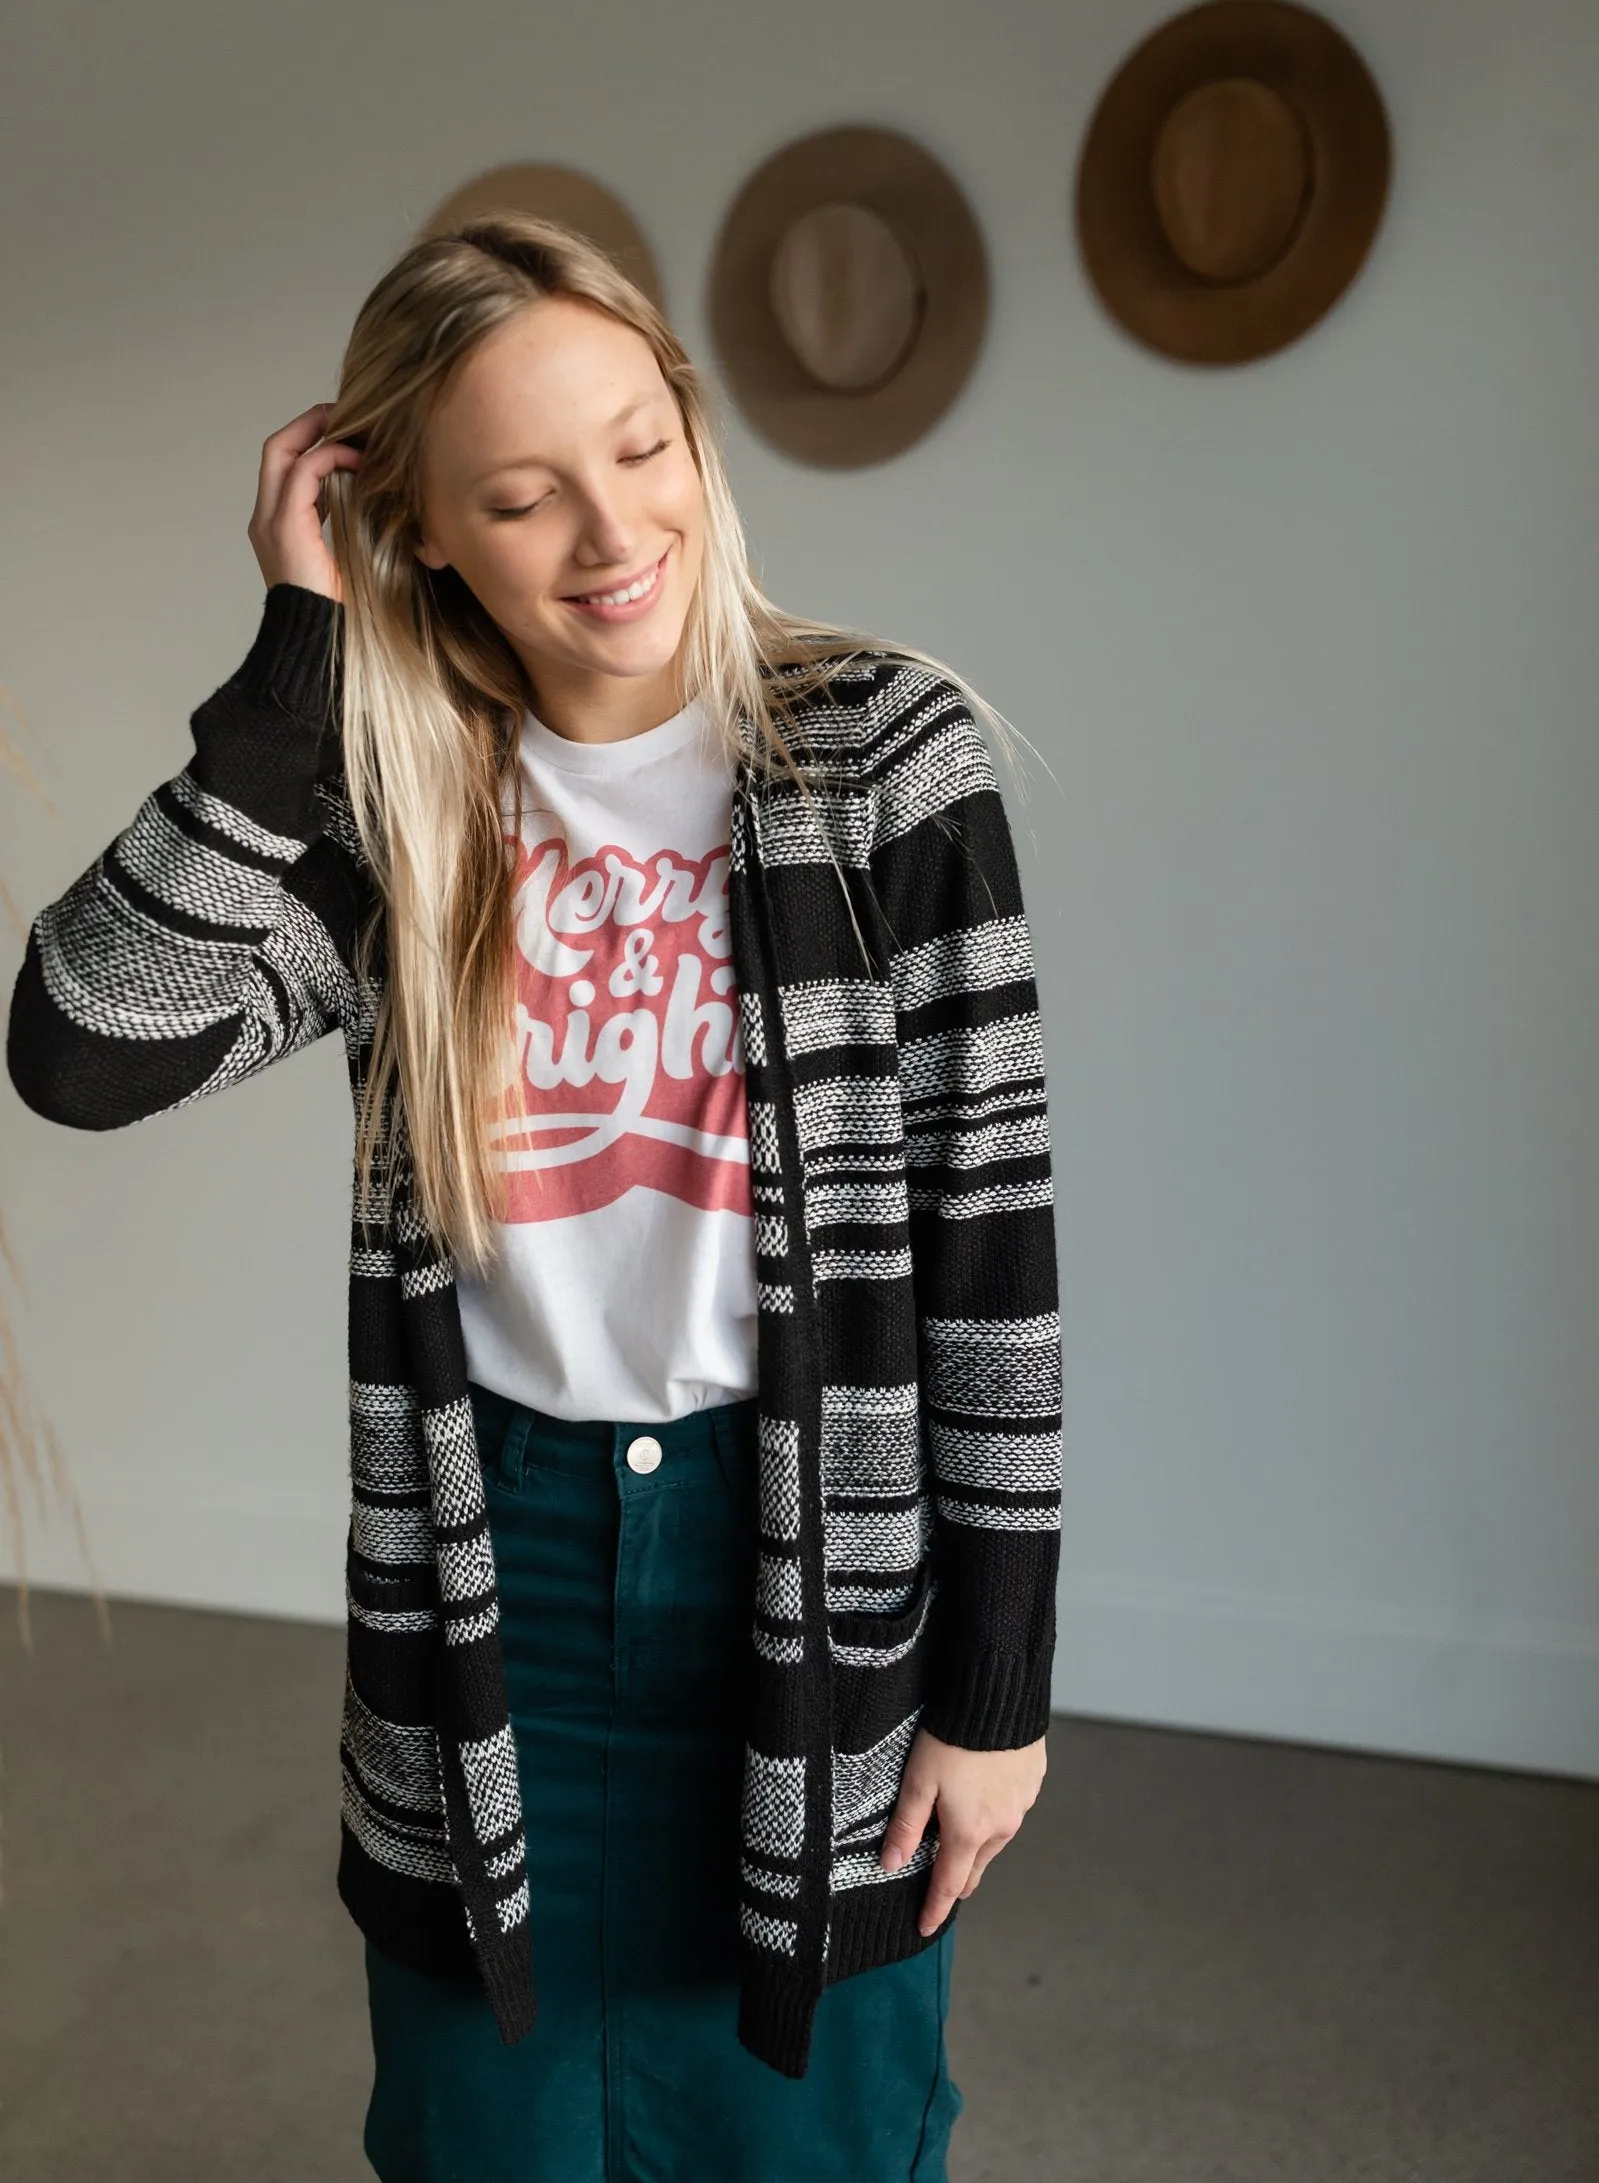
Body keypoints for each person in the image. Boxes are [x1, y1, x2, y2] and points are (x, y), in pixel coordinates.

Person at [6, 213, 1063, 2183]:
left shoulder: (876, 759)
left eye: (641, 448)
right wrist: (288, 671)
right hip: (491, 1578)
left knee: (806, 2136)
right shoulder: (403, 798)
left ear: (693, 429)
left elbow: (986, 1247)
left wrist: (994, 1690)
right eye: (521, 493)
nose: (609, 534)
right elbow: (81, 1046)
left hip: (809, 1574)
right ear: (419, 527)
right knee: (485, 2133)